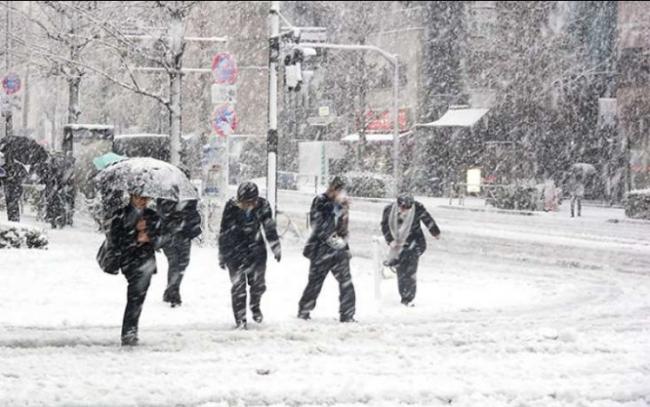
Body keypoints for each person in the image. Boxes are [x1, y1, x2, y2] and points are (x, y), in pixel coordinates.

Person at [218, 182, 281, 329]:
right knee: (238, 287)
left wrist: (276, 247)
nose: (246, 205)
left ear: (256, 200)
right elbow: (224, 231)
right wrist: (222, 254)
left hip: (256, 251)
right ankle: (240, 319)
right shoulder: (231, 206)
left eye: (249, 202)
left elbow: (269, 227)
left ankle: (255, 305)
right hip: (234, 251)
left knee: (258, 285)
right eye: (243, 202)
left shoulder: (263, 206)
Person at [298, 176, 356, 323]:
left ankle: (347, 314)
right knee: (315, 283)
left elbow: (342, 229)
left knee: (346, 283)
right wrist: (335, 206)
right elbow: (318, 226)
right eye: (342, 191)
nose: (344, 195)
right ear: (334, 189)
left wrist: (344, 246)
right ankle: (304, 311)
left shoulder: (342, 206)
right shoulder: (321, 201)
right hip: (321, 250)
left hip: (339, 251)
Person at [108, 193, 161, 346]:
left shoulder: (152, 216)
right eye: (139, 197)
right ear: (132, 197)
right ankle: (129, 331)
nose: (143, 201)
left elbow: (161, 238)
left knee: (137, 297)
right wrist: (135, 235)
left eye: (146, 198)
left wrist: (149, 236)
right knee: (135, 296)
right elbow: (115, 239)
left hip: (146, 261)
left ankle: (130, 330)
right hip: (128, 260)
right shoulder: (120, 214)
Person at [380, 194, 440, 307]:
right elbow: (384, 226)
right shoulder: (389, 210)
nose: (404, 210)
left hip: (415, 243)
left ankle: (409, 298)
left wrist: (435, 232)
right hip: (398, 246)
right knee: (401, 272)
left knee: (411, 271)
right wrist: (390, 240)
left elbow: (427, 219)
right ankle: (404, 296)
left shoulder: (417, 208)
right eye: (402, 207)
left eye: (407, 208)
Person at [158, 198, 202, 307]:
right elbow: (161, 214)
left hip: (184, 235)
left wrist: (187, 220)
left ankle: (170, 290)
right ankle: (174, 293)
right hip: (169, 235)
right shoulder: (165, 194)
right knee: (174, 263)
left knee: (183, 263)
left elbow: (194, 213)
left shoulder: (189, 195)